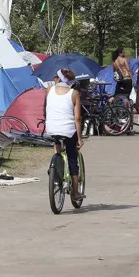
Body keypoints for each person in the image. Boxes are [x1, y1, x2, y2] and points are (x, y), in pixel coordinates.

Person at [43, 68, 83, 201]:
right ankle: (76, 192)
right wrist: (79, 138)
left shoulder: (49, 90)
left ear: (58, 79)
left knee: (57, 144)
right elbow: (77, 118)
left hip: (51, 128)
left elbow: (45, 109)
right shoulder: (74, 93)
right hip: (68, 130)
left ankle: (56, 170)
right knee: (72, 158)